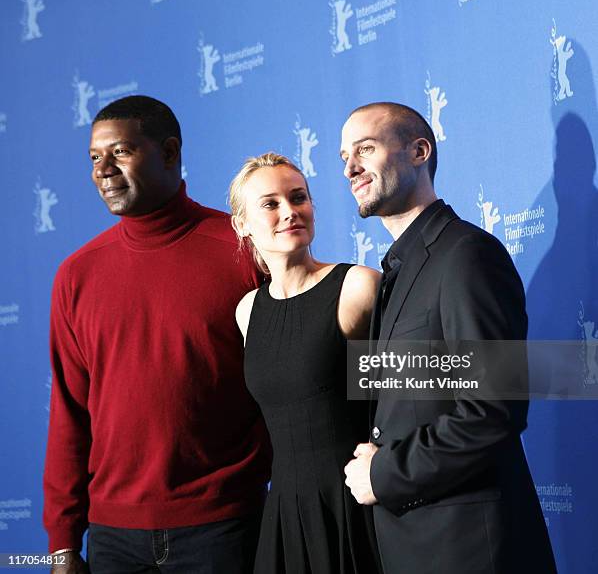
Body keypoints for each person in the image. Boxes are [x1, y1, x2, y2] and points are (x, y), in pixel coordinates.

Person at [43, 96, 271, 573]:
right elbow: (69, 412)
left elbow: (294, 380)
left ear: (169, 153)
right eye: (93, 158)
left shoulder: (244, 250)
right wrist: (63, 541)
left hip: (226, 526)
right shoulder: (76, 275)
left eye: (120, 152)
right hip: (113, 539)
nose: (103, 170)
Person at [341, 102, 556, 573]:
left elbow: (492, 411)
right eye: (344, 157)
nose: (350, 167)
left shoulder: (467, 256)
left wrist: (384, 473)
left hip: (469, 550)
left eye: (365, 149)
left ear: (419, 151)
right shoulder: (398, 271)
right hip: (415, 545)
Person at [229, 153, 382, 573]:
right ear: (242, 223)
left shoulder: (356, 287)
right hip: (285, 512)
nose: (290, 211)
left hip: (355, 502)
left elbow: (403, 397)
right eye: (270, 203)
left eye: (299, 197)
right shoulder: (248, 311)